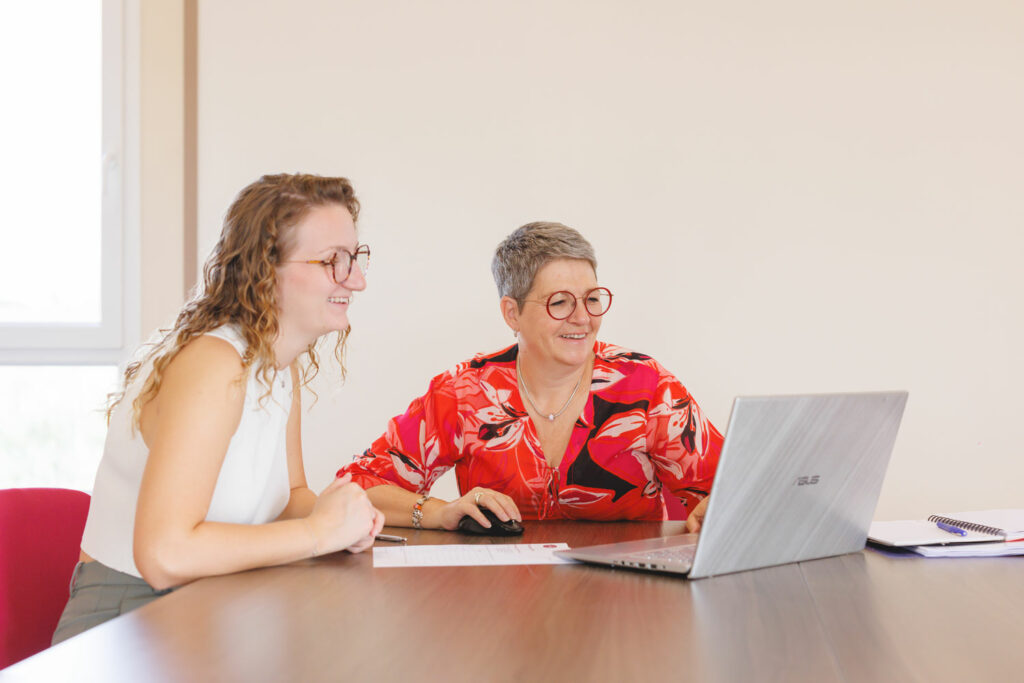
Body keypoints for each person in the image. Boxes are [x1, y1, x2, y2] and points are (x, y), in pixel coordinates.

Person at [52, 173, 385, 644]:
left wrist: (350, 518)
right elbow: (164, 555)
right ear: (266, 270)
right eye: (335, 261)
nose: (357, 280)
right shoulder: (213, 363)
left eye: (356, 258)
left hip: (213, 606)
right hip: (128, 624)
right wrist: (318, 533)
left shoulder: (276, 365)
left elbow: (290, 497)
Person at [337, 221, 722, 533]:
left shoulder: (646, 385)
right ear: (512, 313)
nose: (583, 318)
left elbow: (735, 490)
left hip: (628, 603)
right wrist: (439, 510)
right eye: (559, 302)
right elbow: (357, 487)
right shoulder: (465, 391)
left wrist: (718, 507)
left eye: (591, 299)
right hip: (501, 602)